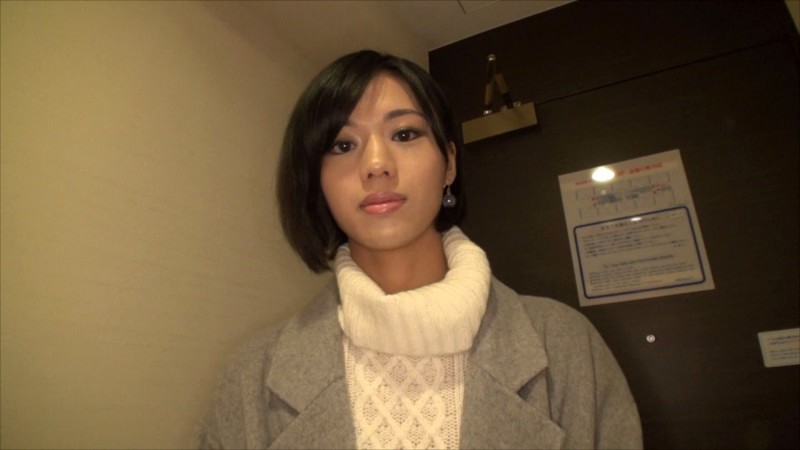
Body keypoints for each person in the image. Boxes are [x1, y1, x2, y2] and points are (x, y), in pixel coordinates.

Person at [198, 50, 642, 449]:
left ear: (449, 163)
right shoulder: (249, 379)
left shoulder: (566, 345)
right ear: (317, 181)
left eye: (405, 134)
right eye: (343, 144)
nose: (376, 165)